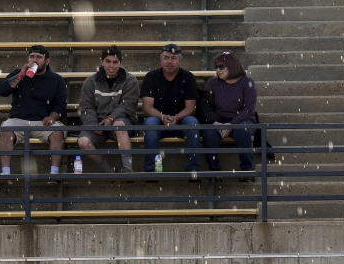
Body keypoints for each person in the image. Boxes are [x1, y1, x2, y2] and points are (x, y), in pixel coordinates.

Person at [0, 44, 68, 175]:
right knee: (6, 129)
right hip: (18, 119)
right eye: (32, 57)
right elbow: (2, 90)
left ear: (47, 61)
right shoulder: (18, 74)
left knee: (58, 132)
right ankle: (5, 171)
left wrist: (52, 117)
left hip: (43, 121)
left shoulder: (56, 80)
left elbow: (61, 105)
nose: (34, 60)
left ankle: (54, 172)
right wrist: (20, 75)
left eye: (39, 57)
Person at [140, 43, 201, 173]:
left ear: (180, 61)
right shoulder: (151, 77)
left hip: (181, 120)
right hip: (158, 121)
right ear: (161, 60)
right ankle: (153, 171)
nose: (169, 61)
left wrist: (177, 117)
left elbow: (191, 108)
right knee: (150, 124)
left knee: (193, 123)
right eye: (166, 57)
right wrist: (162, 117)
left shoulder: (188, 77)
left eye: (173, 58)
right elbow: (147, 107)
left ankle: (193, 170)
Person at [77, 45, 139, 172]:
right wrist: (94, 125)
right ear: (102, 62)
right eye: (108, 61)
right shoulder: (91, 81)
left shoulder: (130, 80)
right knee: (83, 142)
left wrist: (111, 118)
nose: (111, 65)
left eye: (115, 62)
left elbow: (127, 105)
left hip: (121, 122)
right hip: (98, 124)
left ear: (120, 63)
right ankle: (108, 170)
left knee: (119, 124)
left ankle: (128, 168)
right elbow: (85, 107)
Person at [201, 51, 257, 178]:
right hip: (219, 120)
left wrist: (231, 124)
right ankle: (215, 172)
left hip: (243, 120)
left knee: (243, 131)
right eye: (216, 67)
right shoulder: (212, 83)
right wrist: (215, 123)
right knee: (209, 134)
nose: (218, 70)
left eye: (221, 67)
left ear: (232, 66)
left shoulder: (247, 82)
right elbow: (205, 106)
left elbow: (248, 109)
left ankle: (246, 172)